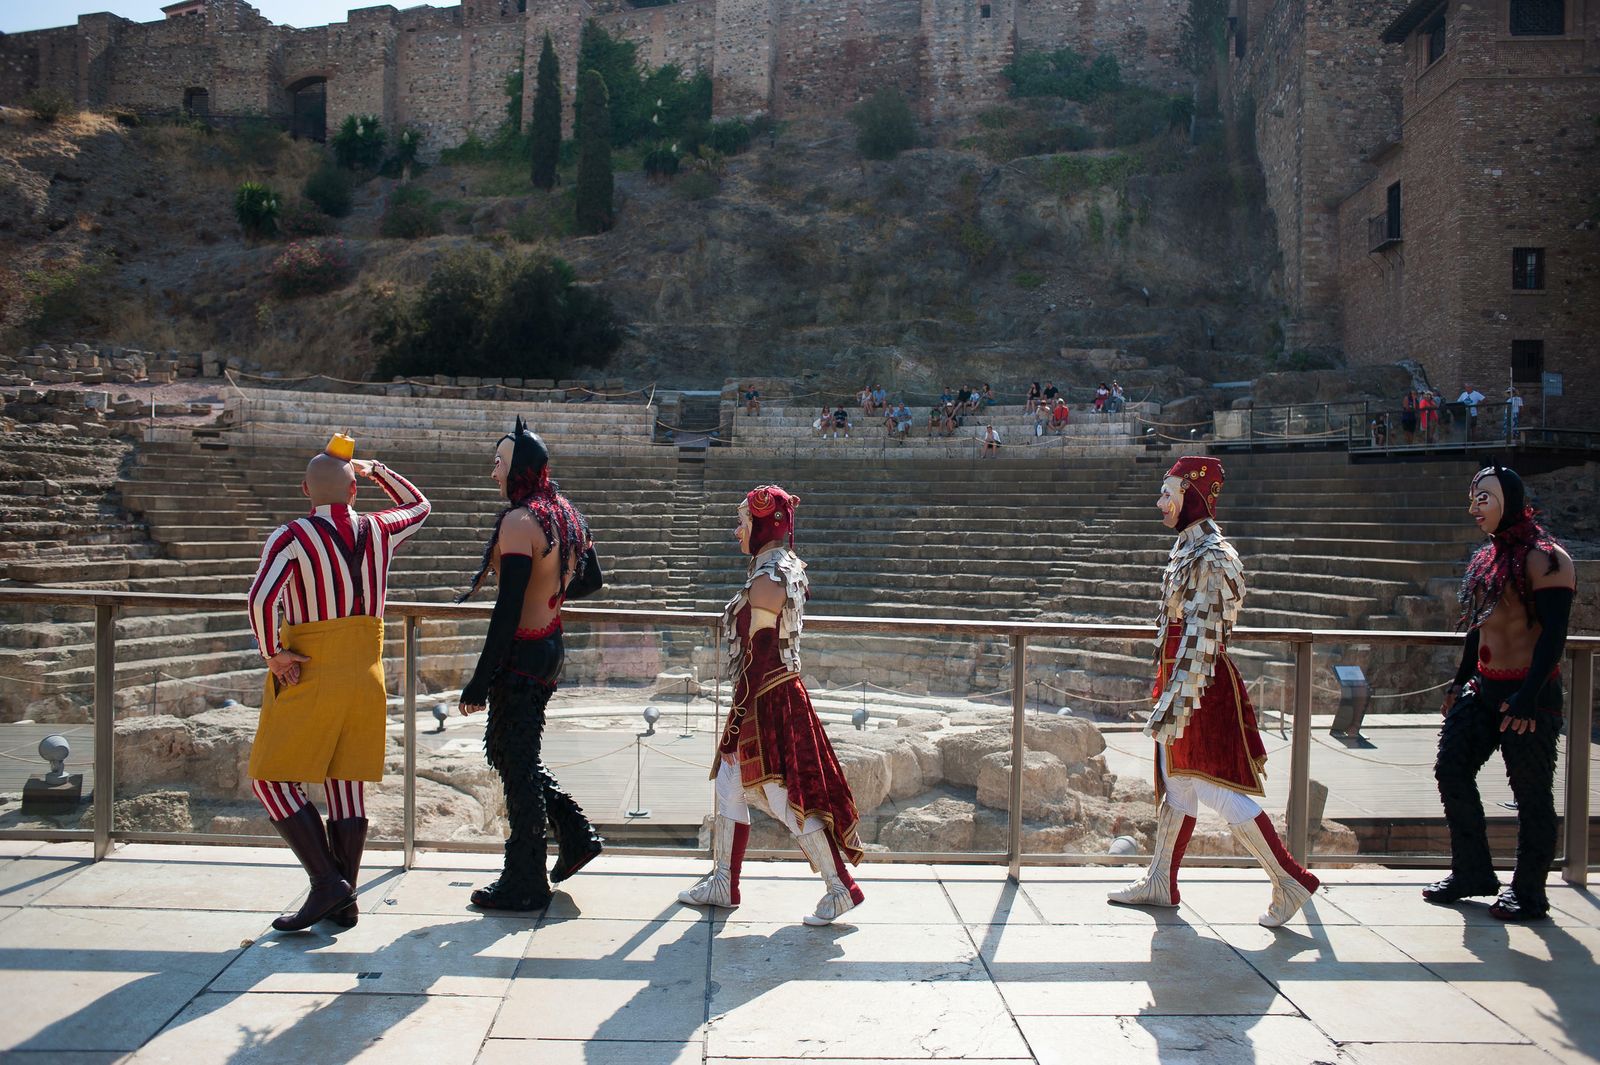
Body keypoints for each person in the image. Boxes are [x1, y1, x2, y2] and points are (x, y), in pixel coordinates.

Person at [1108, 457, 1320, 927]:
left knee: (1213, 787)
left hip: (1199, 686)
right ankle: (1162, 881)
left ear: (1192, 495)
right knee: (1179, 783)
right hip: (1181, 682)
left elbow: (1203, 638)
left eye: (1168, 493)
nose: (1160, 502)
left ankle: (1290, 879)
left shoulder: (1215, 556)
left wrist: (1177, 697)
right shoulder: (1187, 550)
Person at [246, 439, 432, 931]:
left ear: (306, 490)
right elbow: (420, 506)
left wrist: (274, 654)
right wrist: (377, 470)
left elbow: (261, 599)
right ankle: (342, 903)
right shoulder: (379, 529)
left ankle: (327, 884)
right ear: (352, 489)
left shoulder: (292, 536)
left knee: (269, 779)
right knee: (345, 783)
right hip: (367, 671)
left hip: (312, 668)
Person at [679, 486, 866, 924]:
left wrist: (737, 721)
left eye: (743, 523)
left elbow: (760, 656)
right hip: (769, 691)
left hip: (767, 699)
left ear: (763, 525)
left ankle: (841, 888)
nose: (736, 532)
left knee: (784, 795)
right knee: (730, 780)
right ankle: (724, 881)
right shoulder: (781, 568)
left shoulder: (768, 578)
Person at [458, 419, 605, 911]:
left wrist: (479, 680)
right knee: (510, 753)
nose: (492, 471)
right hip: (549, 644)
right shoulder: (562, 511)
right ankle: (576, 834)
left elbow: (506, 608)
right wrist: (554, 594)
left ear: (518, 468)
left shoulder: (520, 522)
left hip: (522, 654)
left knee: (515, 764)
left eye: (498, 463)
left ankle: (525, 881)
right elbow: (593, 580)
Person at [1425, 466, 1574, 921]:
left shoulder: (1547, 559)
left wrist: (1529, 695)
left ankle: (1529, 891)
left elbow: (1553, 635)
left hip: (1530, 693)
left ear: (1508, 500)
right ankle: (1472, 871)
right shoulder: (1487, 558)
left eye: (1483, 499)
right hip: (1483, 687)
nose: (1474, 508)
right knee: (1450, 770)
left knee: (1532, 794)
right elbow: (1479, 626)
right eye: (1472, 498)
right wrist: (1460, 680)